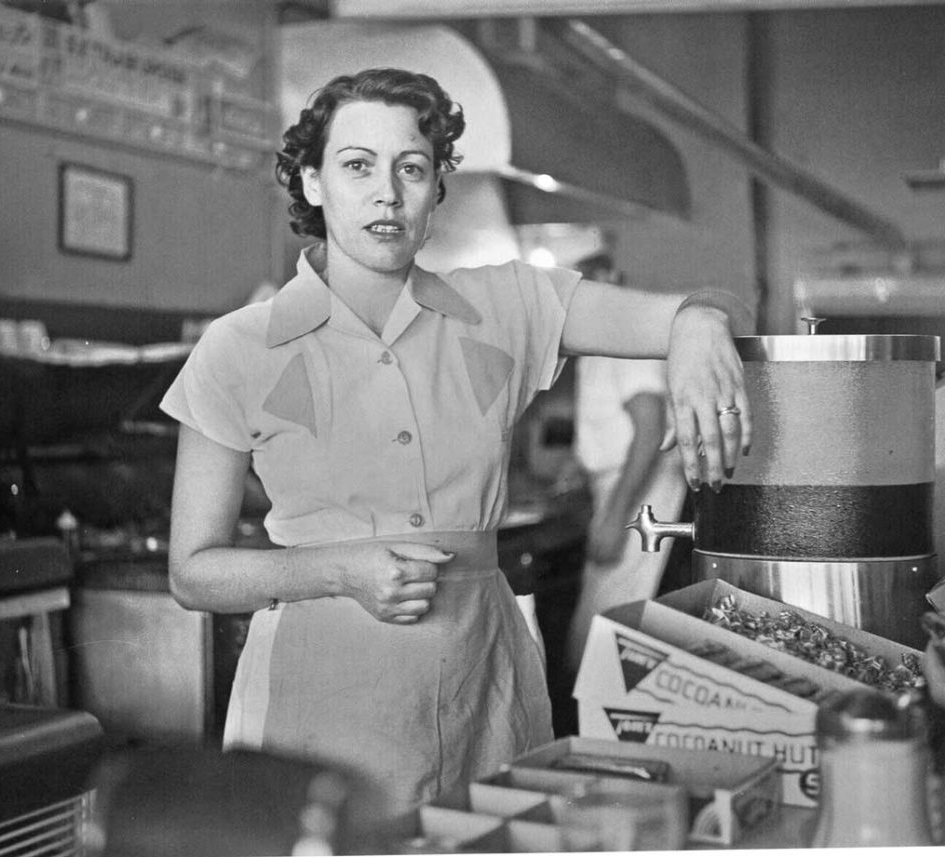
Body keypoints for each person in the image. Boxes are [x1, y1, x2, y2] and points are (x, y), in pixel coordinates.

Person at [160, 67, 754, 825]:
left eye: (412, 168)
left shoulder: (507, 306)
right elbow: (192, 572)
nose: (387, 193)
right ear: (311, 183)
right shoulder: (239, 347)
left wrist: (700, 326)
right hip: (317, 707)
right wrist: (340, 570)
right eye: (356, 166)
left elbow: (716, 305)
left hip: (485, 693)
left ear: (437, 187)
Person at [565, 251, 690, 672]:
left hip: (640, 492)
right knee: (606, 634)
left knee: (608, 637)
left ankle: (600, 729)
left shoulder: (615, 341)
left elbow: (650, 427)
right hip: (628, 486)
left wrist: (616, 516)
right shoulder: (598, 343)